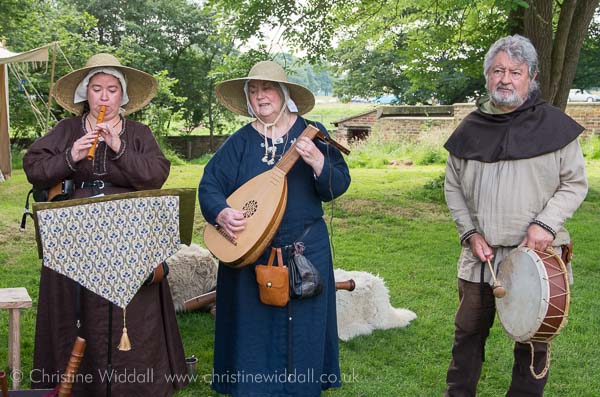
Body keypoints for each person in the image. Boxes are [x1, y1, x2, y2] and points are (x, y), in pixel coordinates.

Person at [23, 53, 188, 396]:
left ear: (121, 96)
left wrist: (119, 148)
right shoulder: (67, 129)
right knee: (76, 306)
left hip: (128, 234)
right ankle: (77, 384)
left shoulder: (138, 132)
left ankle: (134, 386)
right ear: (86, 93)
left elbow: (156, 176)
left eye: (111, 89)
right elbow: (34, 168)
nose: (104, 96)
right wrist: (70, 156)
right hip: (74, 235)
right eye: (96, 89)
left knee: (129, 309)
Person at [443, 35, 588, 396]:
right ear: (488, 76)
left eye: (515, 72)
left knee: (533, 345)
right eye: (498, 71)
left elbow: (574, 183)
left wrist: (545, 225)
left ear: (531, 77)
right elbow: (453, 189)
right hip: (481, 257)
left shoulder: (556, 127)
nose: (505, 79)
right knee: (467, 338)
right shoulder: (468, 130)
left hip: (537, 257)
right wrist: (470, 233)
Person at [198, 60, 351, 396]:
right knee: (252, 332)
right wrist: (222, 213)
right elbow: (210, 185)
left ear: (283, 94)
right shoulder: (239, 142)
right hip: (251, 253)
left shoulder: (312, 132)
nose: (259, 96)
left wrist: (317, 160)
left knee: (305, 332)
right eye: (252, 91)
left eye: (266, 88)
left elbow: (336, 185)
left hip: (304, 252)